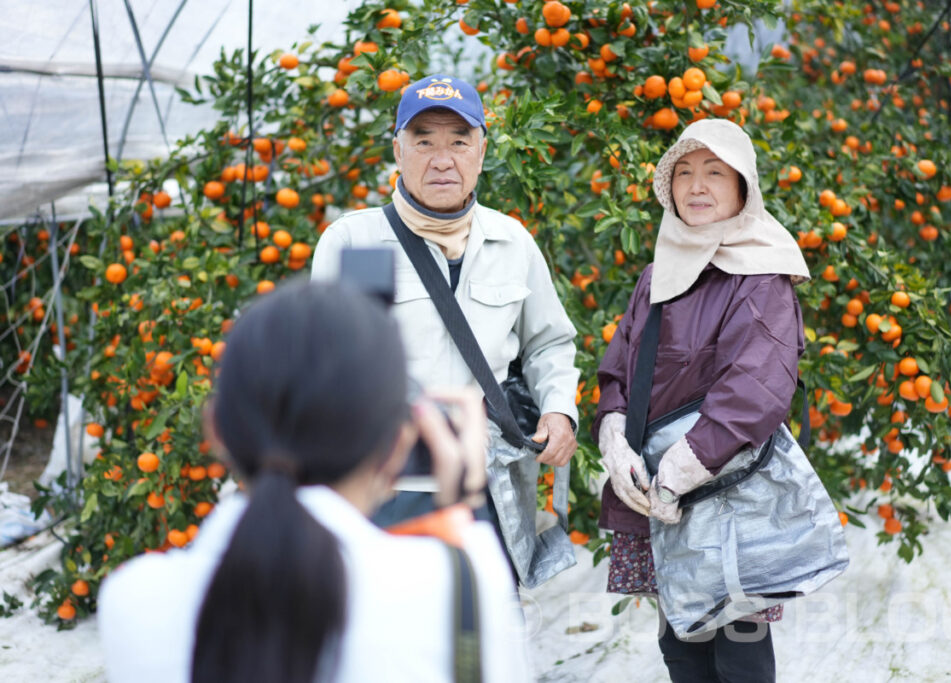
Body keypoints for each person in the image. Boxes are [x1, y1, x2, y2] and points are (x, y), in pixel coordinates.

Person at [98, 280, 530, 683]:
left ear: (217, 431)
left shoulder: (134, 598)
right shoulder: (455, 589)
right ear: (400, 442)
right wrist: (464, 505)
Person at [311, 75, 580, 586]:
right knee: (397, 633)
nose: (442, 158)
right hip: (389, 478)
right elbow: (325, 364)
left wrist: (559, 409)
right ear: (397, 149)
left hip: (489, 477)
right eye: (424, 141)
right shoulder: (357, 242)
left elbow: (548, 341)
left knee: (484, 627)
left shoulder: (510, 240)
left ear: (481, 151)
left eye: (459, 141)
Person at [592, 118, 811, 682]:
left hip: (725, 490)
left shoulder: (761, 274)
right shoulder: (656, 275)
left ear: (744, 189)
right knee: (681, 644)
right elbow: (620, 368)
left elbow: (754, 391)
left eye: (715, 173)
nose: (696, 186)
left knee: (737, 650)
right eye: (683, 172)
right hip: (657, 495)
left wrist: (678, 471)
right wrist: (615, 438)